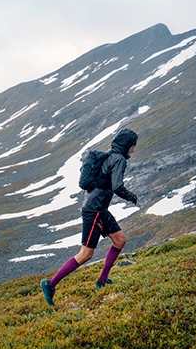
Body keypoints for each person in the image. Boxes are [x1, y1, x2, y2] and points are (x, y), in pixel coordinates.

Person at [41, 128, 139, 306]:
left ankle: (102, 281)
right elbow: (117, 186)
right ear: (127, 146)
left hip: (99, 209)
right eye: (132, 147)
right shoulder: (119, 160)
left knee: (120, 240)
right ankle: (50, 284)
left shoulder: (107, 156)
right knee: (85, 254)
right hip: (93, 211)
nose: (133, 150)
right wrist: (131, 196)